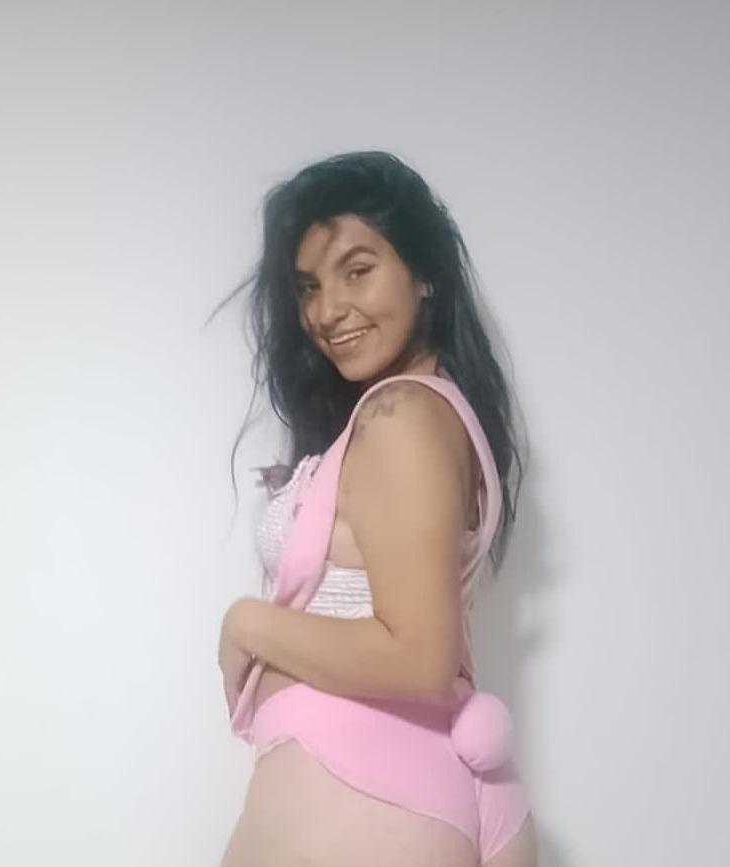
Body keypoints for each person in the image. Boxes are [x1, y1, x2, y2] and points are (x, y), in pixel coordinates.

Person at [207, 151, 536, 867]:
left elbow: (419, 658)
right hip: (380, 792)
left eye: (357, 271)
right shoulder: (417, 415)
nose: (327, 311)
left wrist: (249, 623)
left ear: (424, 274)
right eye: (308, 287)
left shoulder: (402, 417)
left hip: (360, 789)